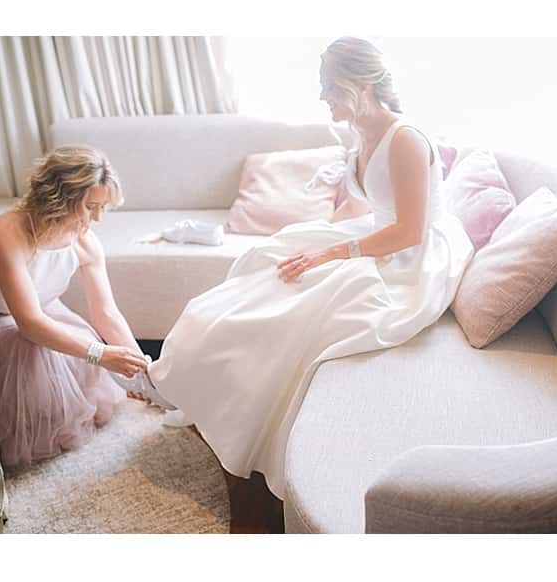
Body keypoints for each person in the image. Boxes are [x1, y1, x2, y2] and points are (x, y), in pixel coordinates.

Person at [138, 40, 471, 495]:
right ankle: (186, 380)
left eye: (329, 85)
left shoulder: (407, 139)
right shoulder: (360, 132)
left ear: (363, 83)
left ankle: (244, 422)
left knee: (305, 303)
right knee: (269, 261)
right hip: (375, 237)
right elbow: (367, 207)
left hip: (409, 258)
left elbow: (409, 232)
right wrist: (314, 240)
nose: (322, 96)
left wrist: (329, 255)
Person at [0, 147, 150, 467]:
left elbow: (106, 312)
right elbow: (30, 323)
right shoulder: (7, 232)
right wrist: (100, 353)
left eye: (103, 208)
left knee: (74, 343)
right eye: (90, 207)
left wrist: (138, 365)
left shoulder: (85, 240)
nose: (98, 218)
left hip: (41, 312)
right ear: (59, 198)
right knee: (38, 350)